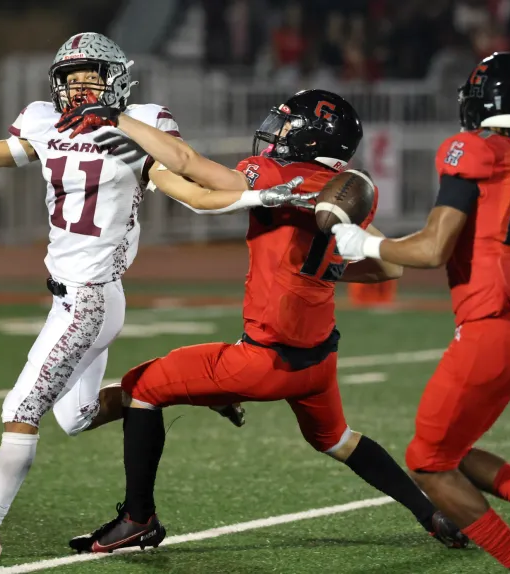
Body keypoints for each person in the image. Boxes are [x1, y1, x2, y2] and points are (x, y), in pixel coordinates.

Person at [0, 32, 303, 561]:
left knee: (21, 406)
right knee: (75, 417)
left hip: (91, 298)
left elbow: (189, 189)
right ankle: (188, 387)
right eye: (71, 81)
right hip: (71, 298)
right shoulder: (45, 122)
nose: (80, 91)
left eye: (91, 79)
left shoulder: (138, 129)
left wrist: (256, 194)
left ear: (117, 81)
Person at [64, 89, 469, 554]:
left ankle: (138, 519)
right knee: (337, 439)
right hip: (317, 365)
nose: (275, 134)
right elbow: (388, 267)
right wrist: (326, 268)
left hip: (263, 361)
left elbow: (189, 163)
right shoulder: (345, 192)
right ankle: (431, 514)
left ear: (309, 135)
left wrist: (118, 118)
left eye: (286, 125)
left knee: (142, 386)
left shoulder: (272, 174)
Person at [331, 52, 510, 574]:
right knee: (453, 450)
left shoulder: (475, 150)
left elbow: (434, 248)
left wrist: (365, 244)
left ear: (486, 104)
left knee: (428, 465)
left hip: (492, 326)